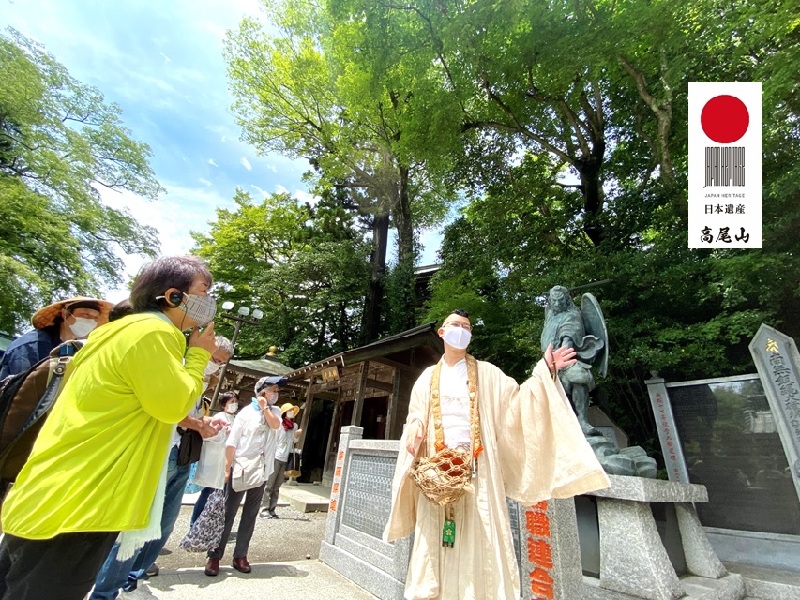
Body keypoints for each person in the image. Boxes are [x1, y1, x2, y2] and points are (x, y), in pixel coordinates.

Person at [0, 255, 219, 600]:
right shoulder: (154, 333)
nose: (209, 302)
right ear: (174, 296)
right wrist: (198, 355)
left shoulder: (115, 332)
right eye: (204, 292)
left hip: (54, 489)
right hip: (84, 500)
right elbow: (173, 405)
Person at [384, 309, 609, 600]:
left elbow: (519, 403)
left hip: (478, 473)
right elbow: (416, 414)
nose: (461, 330)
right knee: (434, 540)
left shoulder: (488, 374)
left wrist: (545, 370)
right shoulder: (426, 378)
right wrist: (414, 427)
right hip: (436, 475)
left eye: (466, 326)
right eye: (455, 325)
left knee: (483, 540)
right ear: (441, 332)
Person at [89, 336, 234, 600]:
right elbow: (160, 406)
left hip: (180, 454)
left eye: (220, 363)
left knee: (165, 523)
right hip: (158, 450)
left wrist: (205, 421)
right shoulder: (176, 367)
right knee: (137, 523)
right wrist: (196, 424)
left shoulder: (202, 381)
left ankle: (133, 578)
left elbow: (187, 413)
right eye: (214, 358)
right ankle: (106, 591)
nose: (215, 366)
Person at [204, 375, 287, 577]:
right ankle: (214, 556)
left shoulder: (274, 411)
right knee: (228, 513)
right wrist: (226, 469)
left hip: (262, 470)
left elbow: (275, 425)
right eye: (272, 390)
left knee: (250, 514)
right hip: (240, 468)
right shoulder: (245, 413)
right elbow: (232, 443)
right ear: (261, 392)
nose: (276, 394)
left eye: (277, 390)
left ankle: (240, 555)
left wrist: (265, 407)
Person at [540, 285, 605, 434]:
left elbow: (567, 339)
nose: (557, 304)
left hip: (565, 357)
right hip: (548, 360)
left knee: (577, 375)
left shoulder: (572, 315)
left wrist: (559, 361)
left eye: (560, 301)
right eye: (554, 301)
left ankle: (582, 419)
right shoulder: (550, 313)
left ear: (567, 300)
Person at [0, 295, 112, 379]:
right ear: (65, 313)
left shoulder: (72, 348)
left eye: (95, 318)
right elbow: (24, 390)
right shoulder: (33, 345)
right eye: (85, 315)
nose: (90, 321)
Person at [190, 391, 241, 527]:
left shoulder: (236, 418)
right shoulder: (219, 417)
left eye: (236, 401)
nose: (234, 404)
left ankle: (209, 523)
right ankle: (195, 522)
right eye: (231, 402)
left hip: (228, 459)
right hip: (216, 458)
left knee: (220, 493)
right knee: (208, 491)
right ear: (224, 404)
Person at [260, 402, 302, 519]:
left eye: (293, 411)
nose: (292, 412)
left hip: (286, 458)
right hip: (275, 456)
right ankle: (264, 509)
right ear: (284, 413)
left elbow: (293, 441)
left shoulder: (294, 426)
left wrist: (297, 435)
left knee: (277, 486)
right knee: (269, 484)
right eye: (290, 410)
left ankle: (272, 509)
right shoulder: (278, 424)